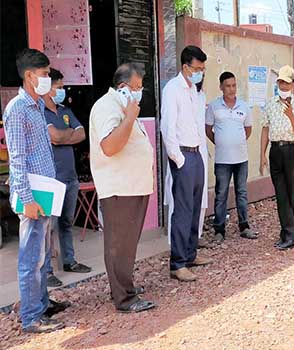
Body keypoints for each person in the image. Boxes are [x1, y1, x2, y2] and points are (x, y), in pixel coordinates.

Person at [3, 48, 66, 333]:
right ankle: (31, 317)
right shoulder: (17, 108)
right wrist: (27, 199)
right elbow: (16, 156)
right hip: (32, 195)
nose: (48, 78)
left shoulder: (38, 105)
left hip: (45, 190)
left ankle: (41, 304)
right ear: (30, 76)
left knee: (42, 253)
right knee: (32, 257)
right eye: (44, 74)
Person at [89, 62, 155, 313]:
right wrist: (129, 117)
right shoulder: (108, 107)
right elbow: (110, 146)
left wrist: (130, 115)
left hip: (132, 186)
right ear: (122, 87)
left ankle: (124, 288)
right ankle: (124, 298)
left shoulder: (125, 107)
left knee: (127, 244)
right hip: (119, 189)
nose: (140, 92)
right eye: (136, 87)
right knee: (119, 245)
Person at [161, 45, 213, 282]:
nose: (200, 72)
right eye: (197, 68)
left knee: (194, 209)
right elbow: (167, 128)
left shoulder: (194, 90)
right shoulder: (173, 90)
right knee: (182, 210)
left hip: (196, 154)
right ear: (185, 67)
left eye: (202, 69)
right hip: (182, 155)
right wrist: (178, 159)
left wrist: (200, 155)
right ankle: (178, 262)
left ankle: (191, 254)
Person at [42, 68, 91, 288]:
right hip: (51, 178)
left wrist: (63, 138)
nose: (62, 91)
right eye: (59, 87)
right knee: (48, 226)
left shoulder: (64, 110)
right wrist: (64, 136)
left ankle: (69, 261)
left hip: (70, 176)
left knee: (66, 223)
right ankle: (47, 270)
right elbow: (53, 136)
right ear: (48, 87)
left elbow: (81, 133)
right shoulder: (41, 112)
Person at [259, 65, 294, 250]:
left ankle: (288, 233)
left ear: (293, 84)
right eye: (280, 82)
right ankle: (290, 234)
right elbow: (265, 129)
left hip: (292, 150)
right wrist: (262, 154)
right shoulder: (270, 104)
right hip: (276, 151)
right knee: (281, 193)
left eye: (286, 82)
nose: (283, 85)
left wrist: (291, 116)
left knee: (291, 193)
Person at [205, 71, 258, 243]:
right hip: (222, 160)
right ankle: (219, 230)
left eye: (234, 85)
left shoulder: (244, 107)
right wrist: (222, 142)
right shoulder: (214, 106)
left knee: (241, 193)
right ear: (221, 87)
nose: (231, 89)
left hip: (241, 158)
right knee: (221, 194)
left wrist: (236, 142)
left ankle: (244, 226)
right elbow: (208, 130)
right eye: (227, 86)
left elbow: (248, 130)